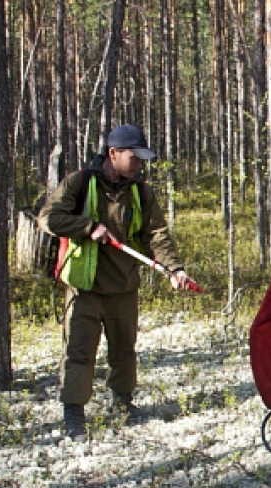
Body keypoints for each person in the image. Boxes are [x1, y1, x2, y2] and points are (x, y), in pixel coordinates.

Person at [40, 124, 196, 439]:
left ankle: (123, 402)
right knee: (79, 351)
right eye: (133, 157)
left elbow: (157, 235)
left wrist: (174, 269)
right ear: (113, 153)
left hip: (124, 287)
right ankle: (74, 413)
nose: (139, 164)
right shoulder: (79, 183)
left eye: (142, 158)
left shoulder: (141, 192)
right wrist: (87, 227)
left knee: (124, 350)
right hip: (85, 288)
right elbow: (48, 218)